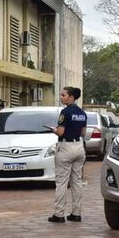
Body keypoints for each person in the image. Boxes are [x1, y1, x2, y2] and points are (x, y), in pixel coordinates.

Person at [48, 87, 87, 223]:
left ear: (71, 97)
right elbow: (83, 133)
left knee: (62, 182)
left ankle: (59, 214)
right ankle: (76, 213)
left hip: (65, 147)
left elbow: (60, 132)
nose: (61, 97)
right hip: (79, 147)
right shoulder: (82, 113)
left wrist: (54, 129)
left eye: (63, 95)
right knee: (77, 181)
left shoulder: (65, 112)